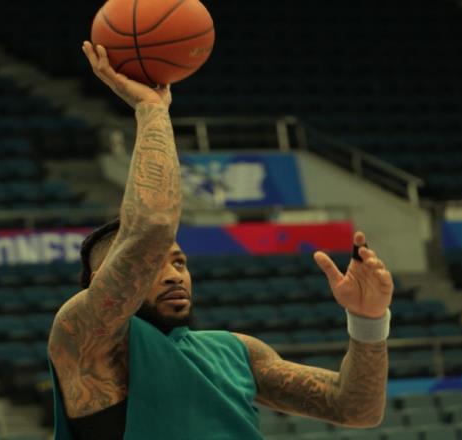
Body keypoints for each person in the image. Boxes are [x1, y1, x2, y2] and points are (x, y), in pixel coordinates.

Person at [48, 41, 395, 440]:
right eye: (154, 264)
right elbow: (152, 226)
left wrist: (368, 320)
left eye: (179, 262)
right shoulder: (82, 338)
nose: (173, 274)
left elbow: (355, 409)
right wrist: (151, 109)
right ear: (102, 281)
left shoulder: (234, 351)